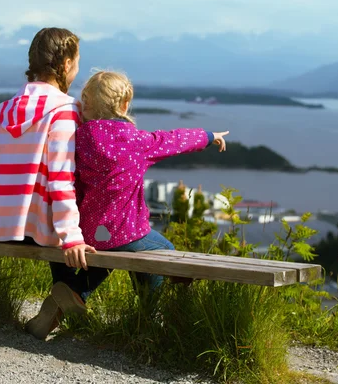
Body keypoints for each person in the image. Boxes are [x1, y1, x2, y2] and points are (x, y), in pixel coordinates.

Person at [46, 70, 229, 327]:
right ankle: (148, 316)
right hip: (124, 231)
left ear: (85, 104)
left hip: (87, 233)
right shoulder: (136, 141)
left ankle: (74, 292)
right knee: (165, 252)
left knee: (107, 253)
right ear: (124, 105)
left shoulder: (79, 138)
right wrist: (209, 137)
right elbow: (174, 140)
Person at [0, 27, 96, 340]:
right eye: (78, 62)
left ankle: (62, 303)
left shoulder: (8, 107)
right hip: (42, 229)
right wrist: (72, 237)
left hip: (5, 225)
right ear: (67, 64)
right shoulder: (64, 110)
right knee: (112, 236)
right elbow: (60, 178)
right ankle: (72, 295)